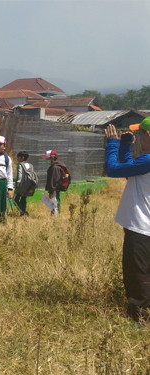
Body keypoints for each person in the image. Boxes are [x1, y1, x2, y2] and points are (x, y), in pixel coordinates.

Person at [105, 121, 150, 320]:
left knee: (136, 274)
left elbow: (114, 169)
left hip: (141, 228)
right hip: (145, 227)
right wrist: (125, 146)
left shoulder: (148, 161)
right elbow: (129, 171)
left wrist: (112, 144)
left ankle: (139, 317)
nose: (138, 138)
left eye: (140, 135)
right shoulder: (144, 163)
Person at [42, 150, 68, 215]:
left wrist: (51, 191)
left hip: (55, 188)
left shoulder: (55, 168)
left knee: (55, 201)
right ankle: (54, 214)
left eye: (48, 158)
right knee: (55, 201)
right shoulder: (56, 166)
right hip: (55, 188)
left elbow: (54, 180)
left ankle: (56, 216)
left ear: (52, 158)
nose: (47, 160)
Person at [14, 151, 32, 216]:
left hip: (21, 185)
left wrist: (17, 187)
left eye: (18, 157)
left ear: (22, 157)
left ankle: (23, 212)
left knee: (15, 200)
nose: (17, 159)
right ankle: (23, 213)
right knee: (23, 198)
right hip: (29, 185)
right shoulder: (30, 165)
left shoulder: (20, 165)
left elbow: (19, 176)